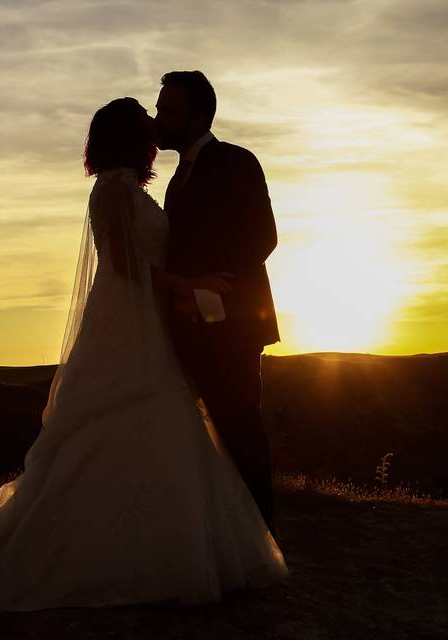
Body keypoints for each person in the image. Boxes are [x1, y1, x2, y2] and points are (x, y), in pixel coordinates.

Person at [0, 95, 287, 615]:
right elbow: (124, 267)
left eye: (160, 112)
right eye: (146, 119)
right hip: (127, 325)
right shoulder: (115, 190)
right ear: (127, 137)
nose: (154, 125)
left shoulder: (142, 186)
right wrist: (190, 285)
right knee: (126, 420)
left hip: (152, 322)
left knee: (170, 424)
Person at [155, 70, 281, 534]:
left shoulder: (236, 162)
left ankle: (261, 538)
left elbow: (262, 238)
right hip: (188, 327)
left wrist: (203, 293)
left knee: (241, 429)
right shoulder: (176, 178)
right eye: (158, 109)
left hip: (234, 326)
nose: (158, 119)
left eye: (168, 111)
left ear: (197, 116)